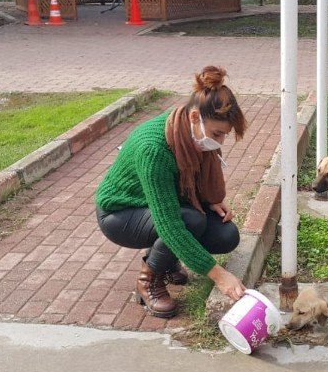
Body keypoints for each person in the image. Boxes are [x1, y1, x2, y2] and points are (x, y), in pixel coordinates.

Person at [96, 66, 247, 318]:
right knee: (189, 221)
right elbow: (169, 225)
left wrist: (210, 202)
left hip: (154, 205)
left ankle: (166, 259)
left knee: (226, 235)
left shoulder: (187, 132)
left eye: (224, 135)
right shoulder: (154, 149)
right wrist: (219, 275)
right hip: (120, 213)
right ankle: (148, 281)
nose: (219, 143)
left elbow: (184, 186)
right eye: (217, 134)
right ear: (195, 117)